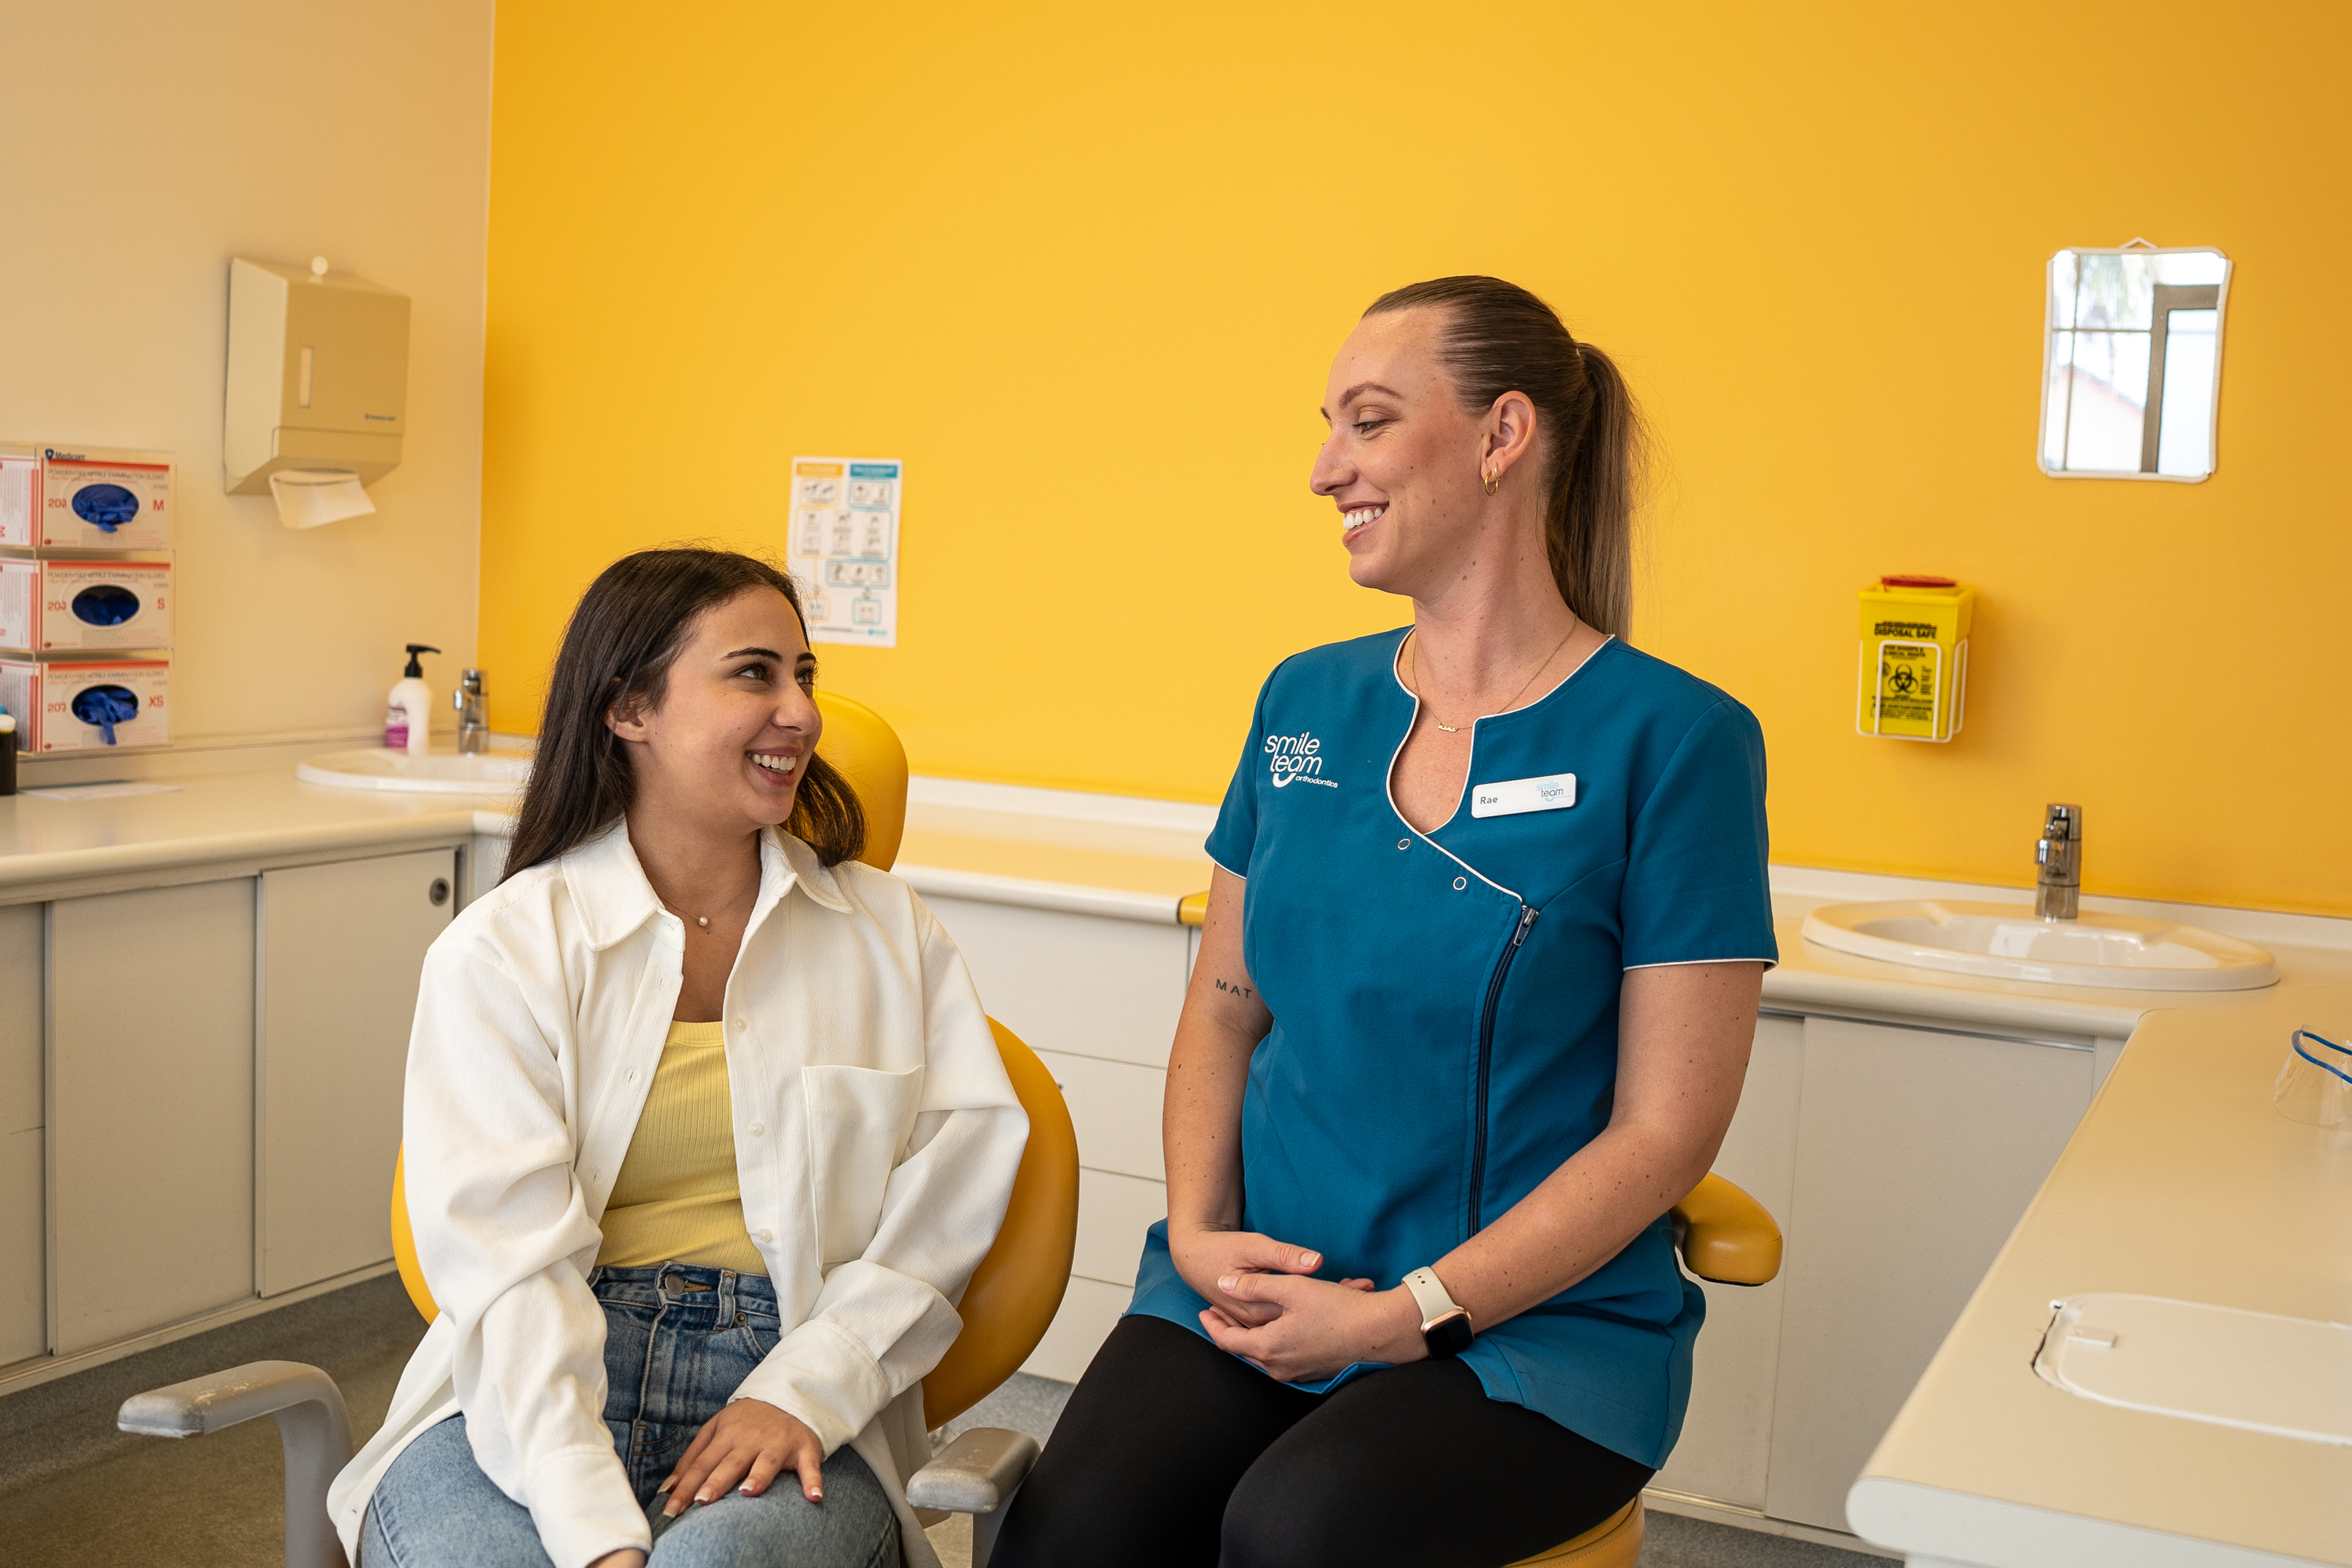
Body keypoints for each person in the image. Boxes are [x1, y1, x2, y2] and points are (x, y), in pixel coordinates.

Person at [994, 278, 1776, 1567]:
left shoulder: (1677, 741)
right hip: (1260, 1278)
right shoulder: (1306, 701)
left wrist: (1404, 1317)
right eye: (1329, 426)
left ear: (1500, 436)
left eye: (1366, 422)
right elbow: (1225, 1007)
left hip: (1534, 1330)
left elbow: (1666, 1129)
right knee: (1070, 1536)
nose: (1324, 468)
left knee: (1296, 1535)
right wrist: (1197, 1235)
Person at [328, 549, 1029, 1568]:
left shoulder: (889, 935)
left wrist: (803, 1391)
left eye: (805, 675)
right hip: (534, 1385)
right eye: (755, 673)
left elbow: (944, 1209)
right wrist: (594, 1533)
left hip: (788, 1369)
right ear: (628, 709)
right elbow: (514, 1276)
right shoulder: (503, 952)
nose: (800, 711)